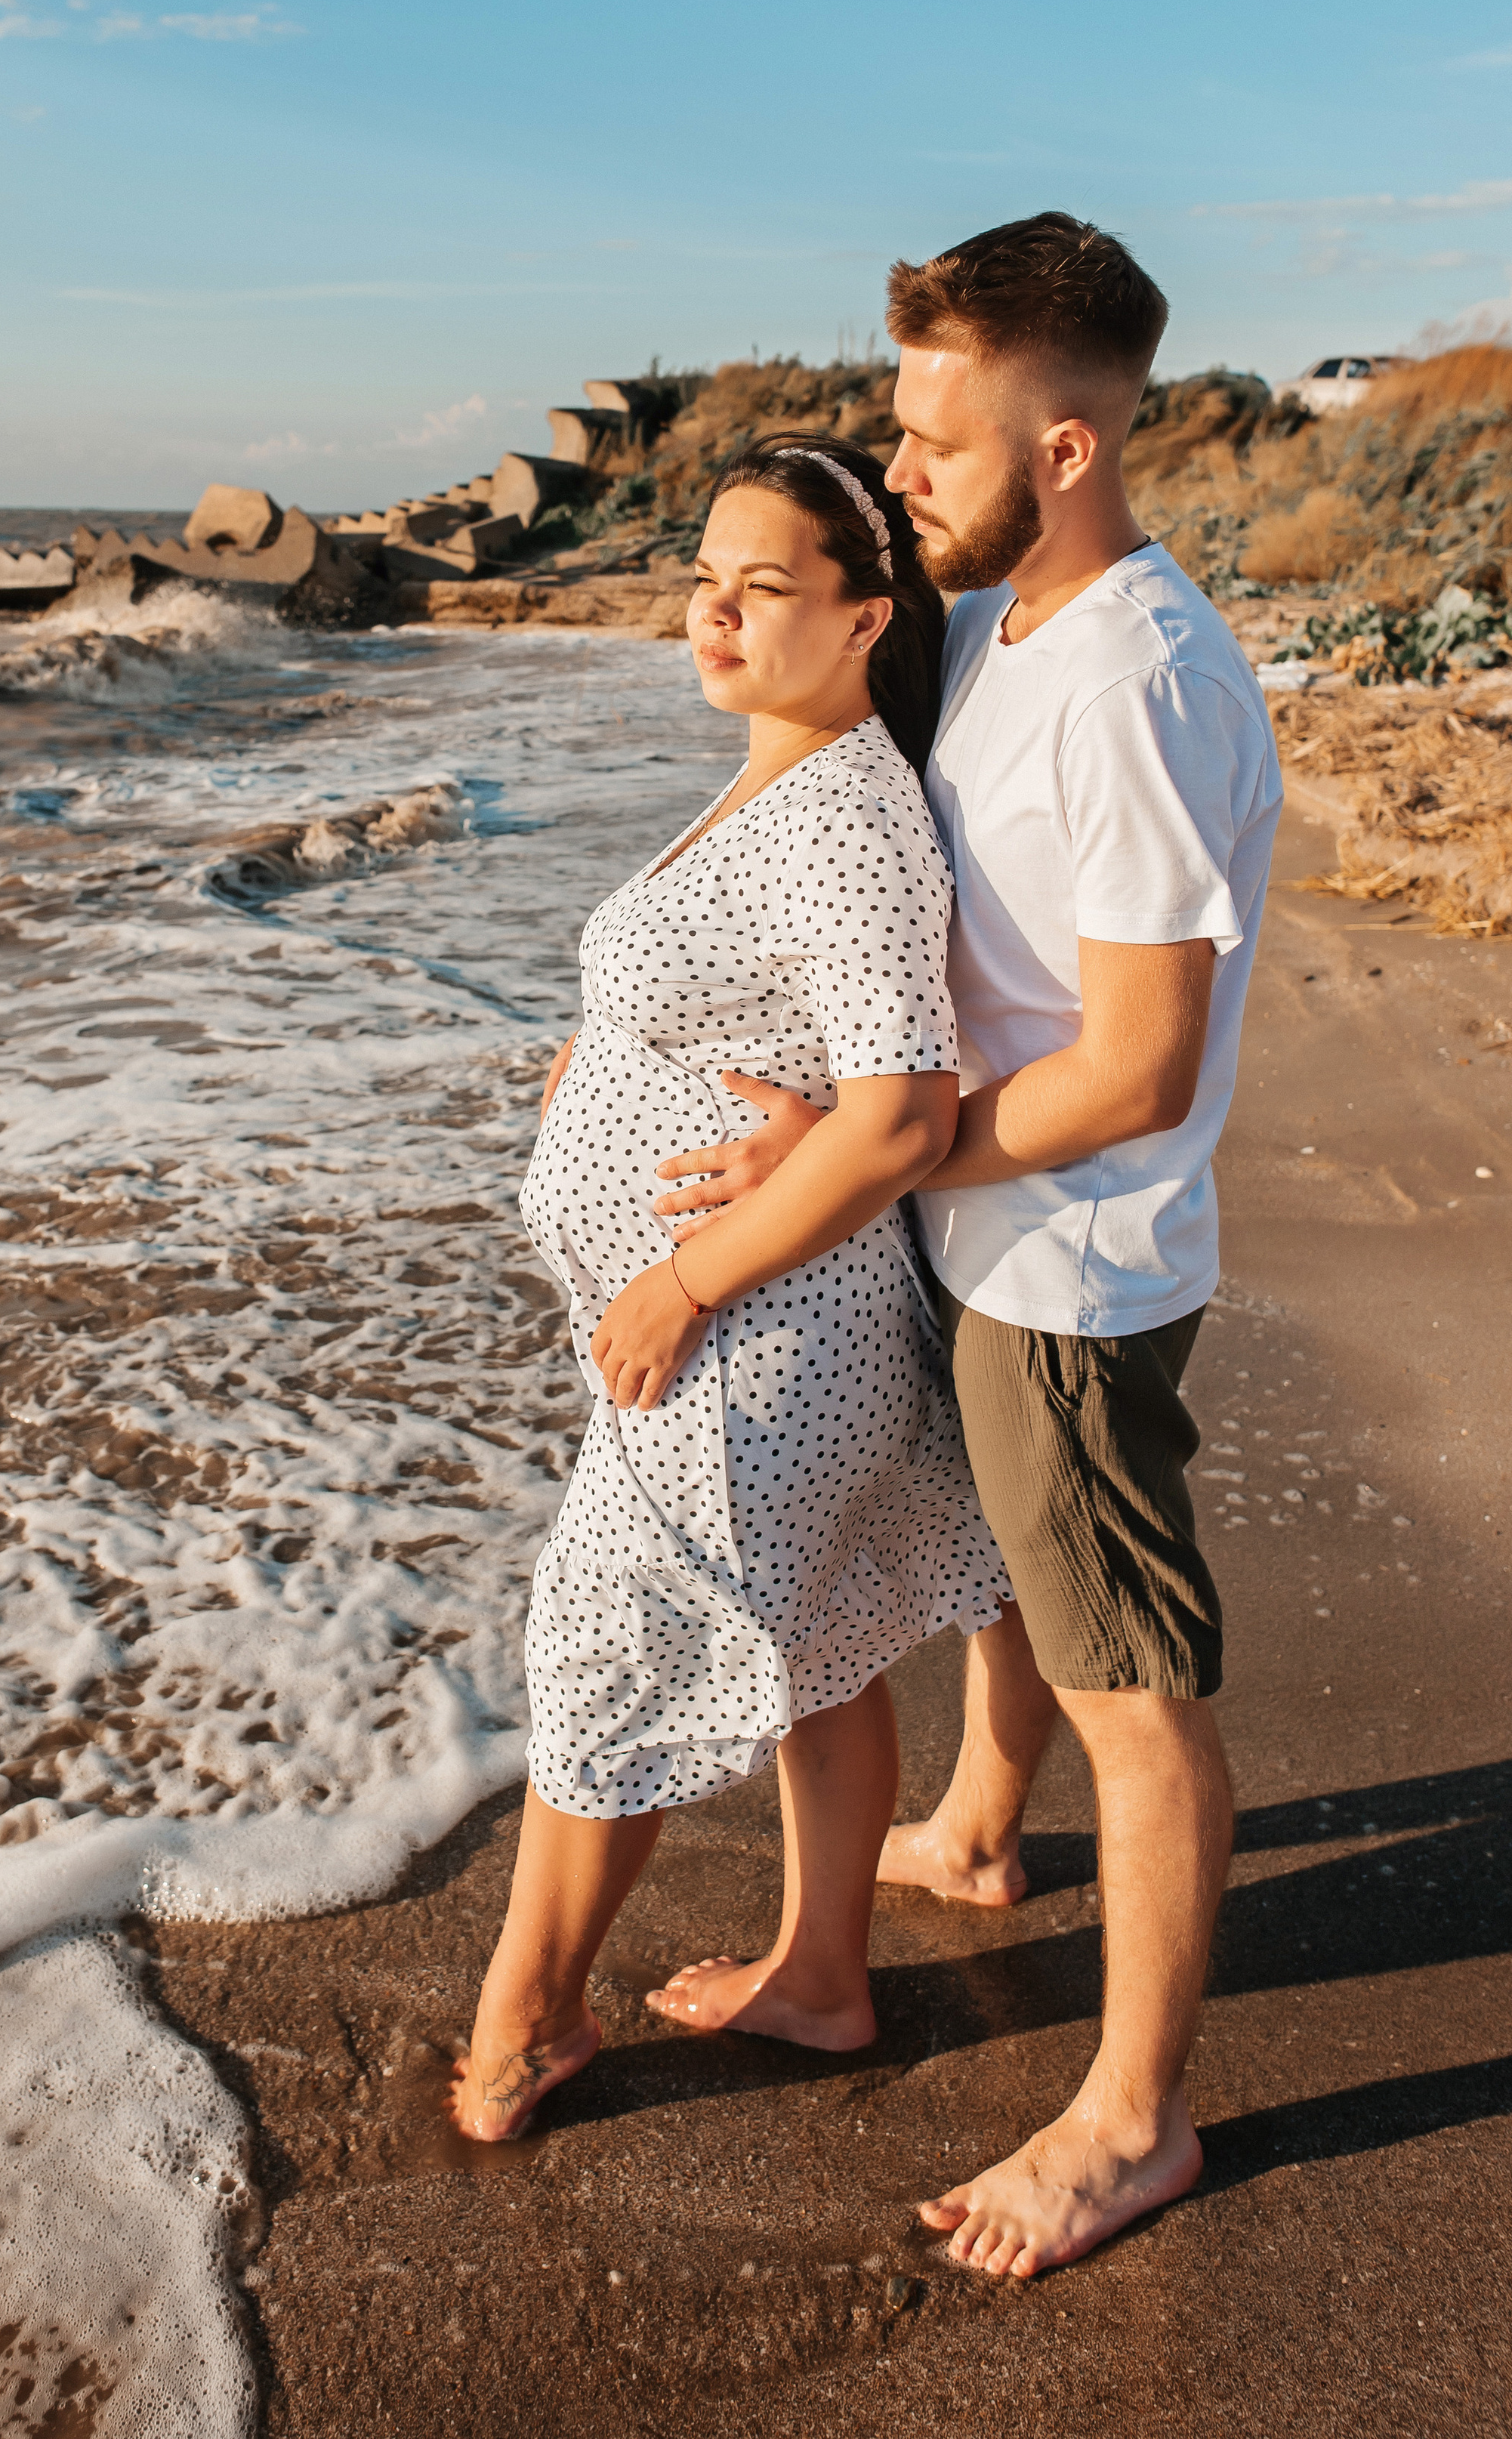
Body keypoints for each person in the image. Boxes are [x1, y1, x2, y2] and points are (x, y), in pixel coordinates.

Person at [654, 213, 1281, 2276]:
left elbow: (1134, 1065)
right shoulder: (1018, 621)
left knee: (1133, 1682)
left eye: (934, 441)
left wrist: (874, 1154)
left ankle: (1130, 2119)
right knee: (1008, 1563)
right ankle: (984, 1828)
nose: (898, 473)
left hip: (1069, 1267)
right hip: (991, 1228)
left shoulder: (1135, 677)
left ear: (1071, 447)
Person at [448, 433, 1013, 2143]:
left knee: (600, 1654)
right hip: (767, 1337)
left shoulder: (846, 813)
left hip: (758, 1344)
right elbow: (754, 1003)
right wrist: (606, 1051)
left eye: (761, 588)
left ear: (863, 618)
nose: (712, 611)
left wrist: (682, 1282)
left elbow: (901, 1111)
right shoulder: (780, 772)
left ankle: (520, 2020)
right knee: (823, 1654)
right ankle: (821, 1978)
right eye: (703, 579)